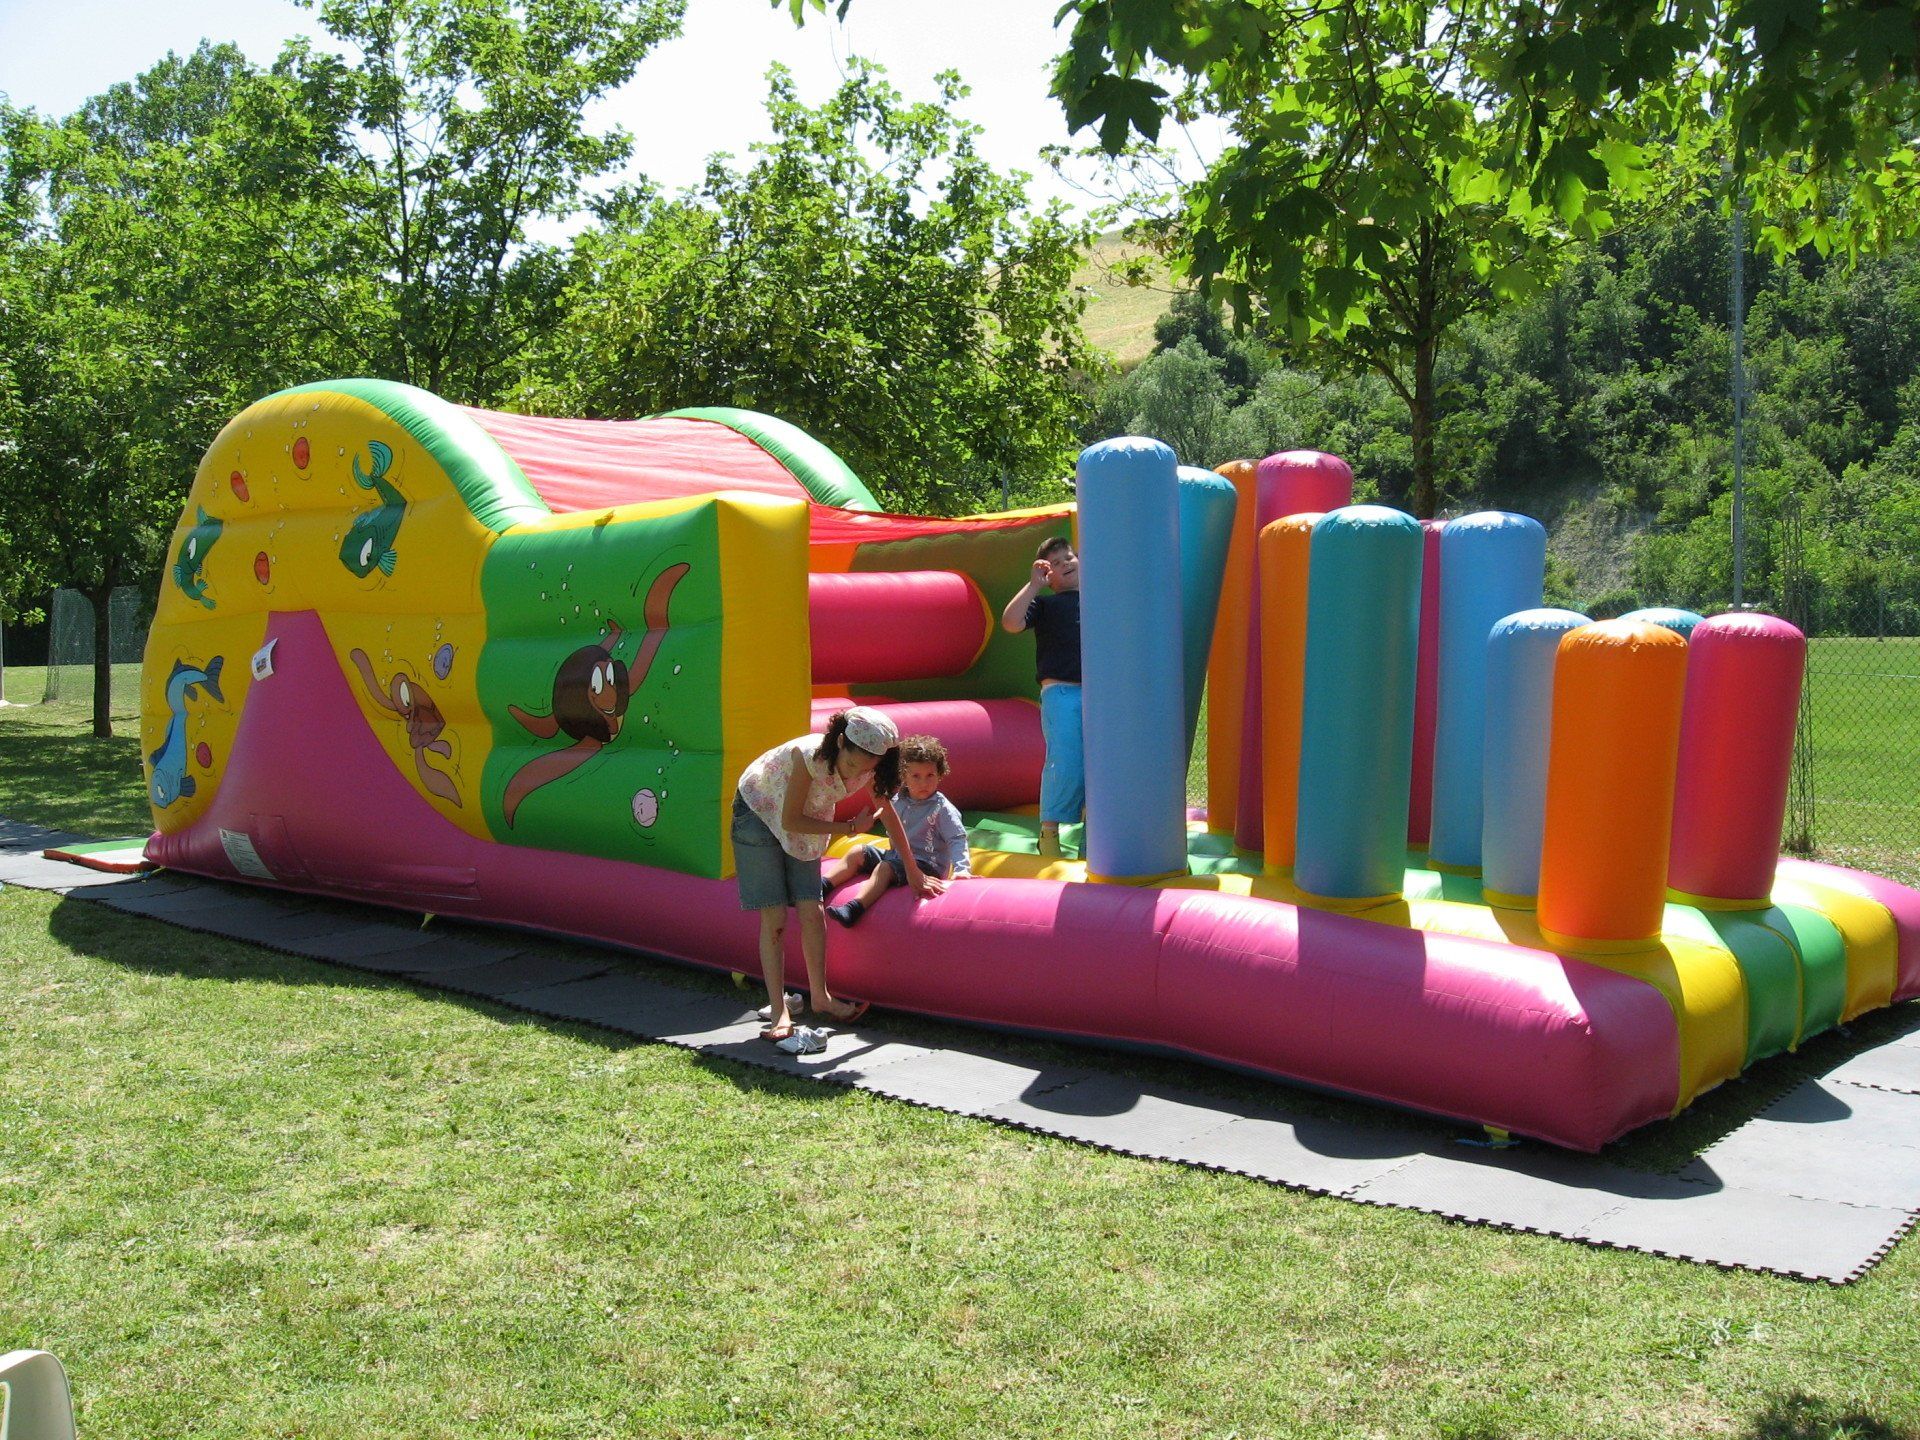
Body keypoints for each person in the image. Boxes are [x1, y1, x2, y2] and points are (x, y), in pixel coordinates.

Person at [732, 706, 905, 1043]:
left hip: (807, 817)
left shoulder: (872, 767)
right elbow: (790, 820)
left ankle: (821, 997)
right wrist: (850, 827)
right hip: (760, 810)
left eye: (867, 768)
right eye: (852, 763)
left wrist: (911, 869)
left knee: (812, 909)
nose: (856, 772)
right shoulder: (810, 756)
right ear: (841, 741)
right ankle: (778, 1010)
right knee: (776, 915)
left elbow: (890, 814)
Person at [823, 733, 968, 927]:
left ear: (940, 774)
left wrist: (962, 869)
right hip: (897, 856)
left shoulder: (942, 808)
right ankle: (823, 887)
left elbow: (957, 838)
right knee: (857, 851)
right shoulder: (898, 801)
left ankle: (855, 907)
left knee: (885, 868)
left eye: (930, 775)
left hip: (926, 866)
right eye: (916, 776)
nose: (923, 783)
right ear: (904, 776)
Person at [1000, 534, 1082, 858]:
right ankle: (1049, 833)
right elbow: (1010, 622)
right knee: (1064, 760)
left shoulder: (1097, 598)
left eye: (1069, 557)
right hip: (1061, 692)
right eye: (1056, 564)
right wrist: (1033, 585)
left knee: (1100, 765)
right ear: (1048, 578)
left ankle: (1095, 836)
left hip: (1101, 695)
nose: (1065, 564)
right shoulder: (1046, 605)